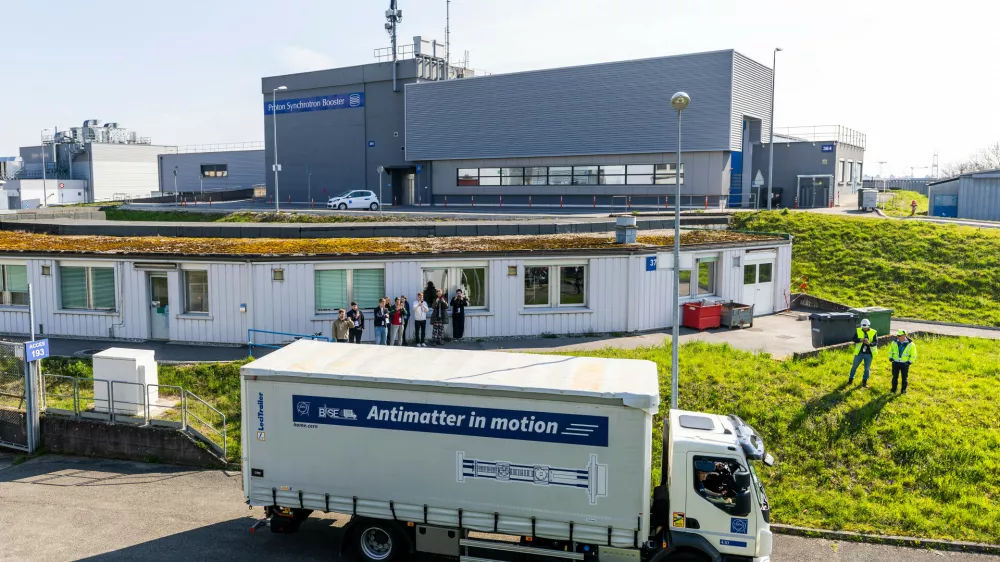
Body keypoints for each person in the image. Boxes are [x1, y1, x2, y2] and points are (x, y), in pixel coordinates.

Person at [849, 318, 878, 387]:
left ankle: (864, 382)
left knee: (867, 369)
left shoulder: (873, 332)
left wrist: (869, 343)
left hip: (869, 354)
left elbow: (875, 342)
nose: (864, 329)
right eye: (863, 328)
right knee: (854, 366)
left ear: (869, 326)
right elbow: (854, 339)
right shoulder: (858, 330)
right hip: (859, 353)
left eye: (866, 328)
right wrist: (860, 340)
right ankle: (850, 379)